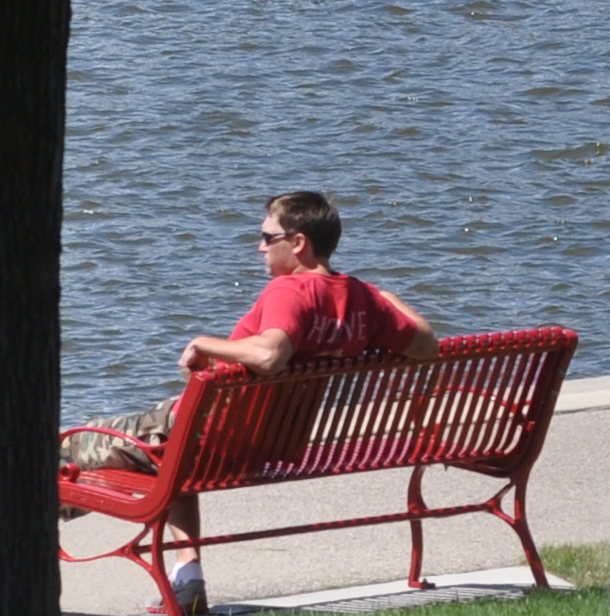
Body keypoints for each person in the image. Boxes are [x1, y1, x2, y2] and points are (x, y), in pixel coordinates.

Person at [59, 190, 437, 474]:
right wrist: (385, 297)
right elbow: (427, 345)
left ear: (299, 243)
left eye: (268, 238)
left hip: (205, 437)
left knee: (68, 447)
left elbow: (269, 356)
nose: (260, 248)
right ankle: (186, 567)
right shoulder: (363, 300)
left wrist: (202, 342)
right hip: (267, 443)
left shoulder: (291, 290)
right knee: (147, 456)